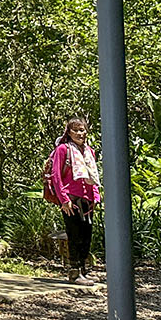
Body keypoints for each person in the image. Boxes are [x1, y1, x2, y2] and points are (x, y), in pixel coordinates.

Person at [49, 116, 102, 284]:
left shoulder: (89, 151)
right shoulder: (62, 150)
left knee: (87, 235)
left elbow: (92, 175)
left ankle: (85, 269)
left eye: (82, 130)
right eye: (76, 130)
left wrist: (96, 196)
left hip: (87, 199)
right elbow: (56, 176)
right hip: (71, 199)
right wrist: (64, 199)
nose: (80, 133)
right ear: (69, 132)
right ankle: (74, 271)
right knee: (74, 234)